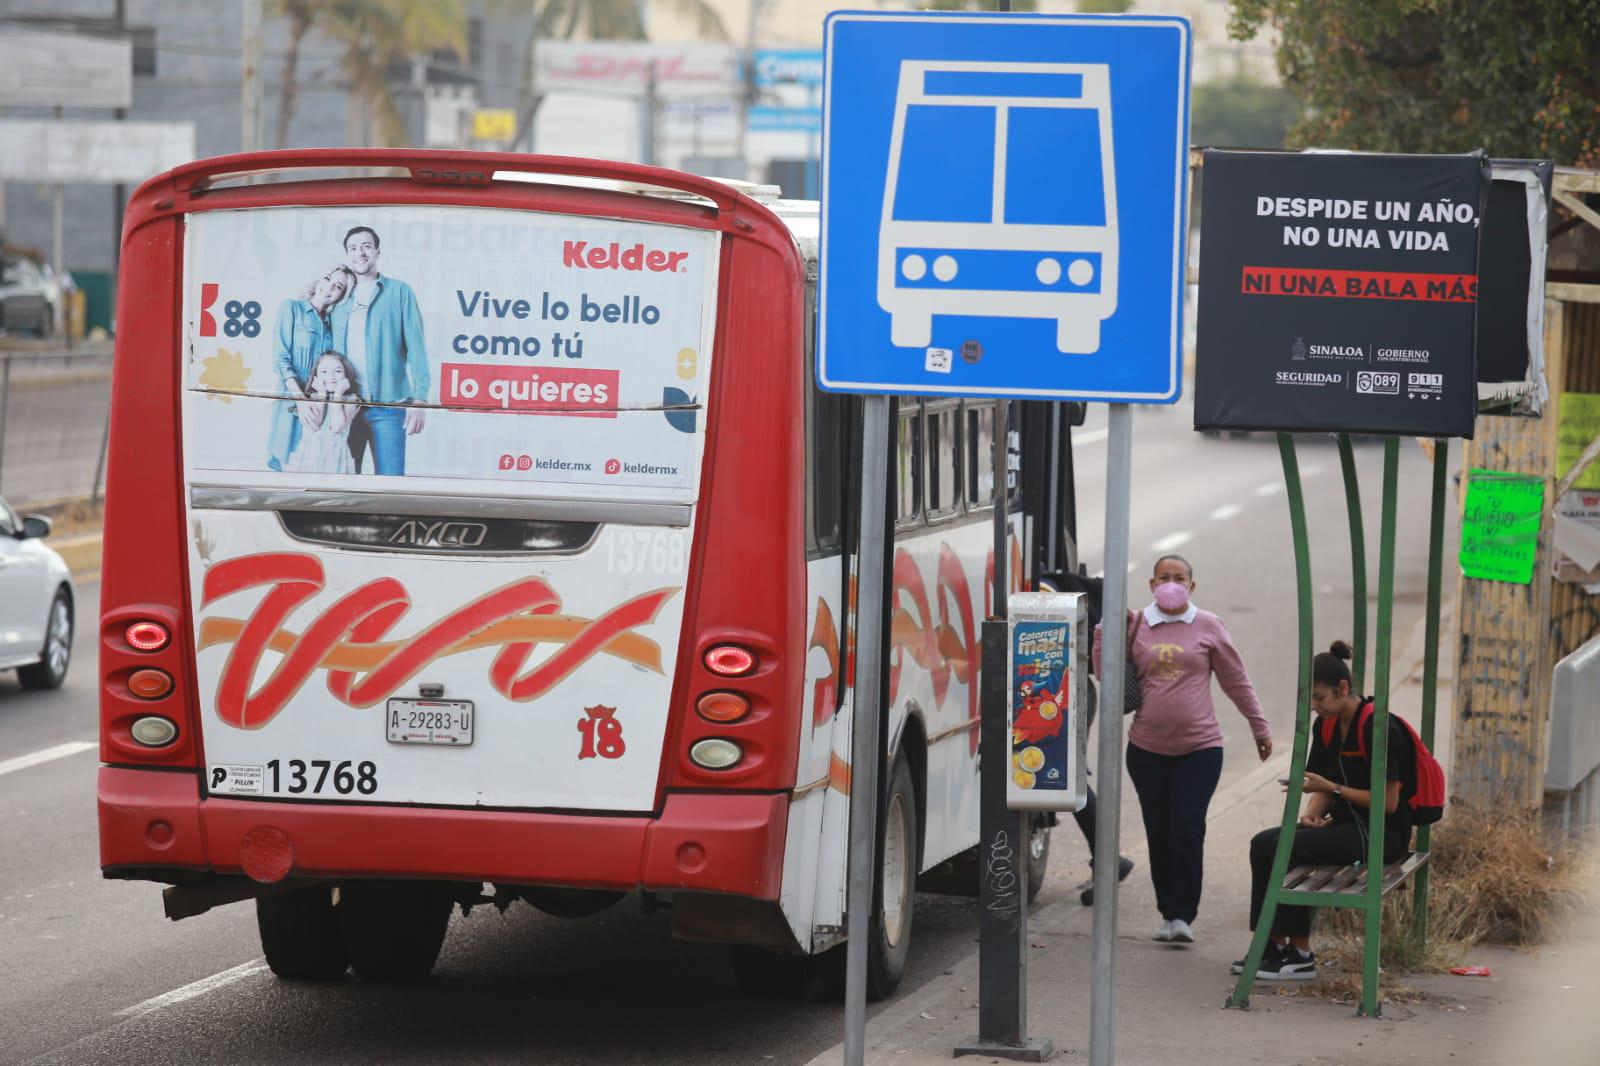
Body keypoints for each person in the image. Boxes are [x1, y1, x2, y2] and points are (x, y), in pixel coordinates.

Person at [1093, 554, 1272, 945]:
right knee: (1159, 831)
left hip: (1200, 749)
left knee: (1188, 828)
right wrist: (1103, 634)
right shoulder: (1136, 624)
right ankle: (1168, 912)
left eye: (1179, 577)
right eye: (1163, 577)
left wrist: (1259, 725)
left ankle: (1185, 914)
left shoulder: (1208, 625)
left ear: (1192, 586)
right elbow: (1108, 678)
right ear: (1152, 584)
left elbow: (1235, 679)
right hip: (1147, 750)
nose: (1170, 583)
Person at [1235, 640, 1413, 981]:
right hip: (1344, 826)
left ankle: (1300, 953)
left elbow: (1387, 804)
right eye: (1310, 700)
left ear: (1342, 688)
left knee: (1285, 846)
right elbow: (1322, 781)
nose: (1315, 707)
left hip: (1380, 834)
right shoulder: (1326, 726)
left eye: (1319, 698)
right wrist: (1313, 812)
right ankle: (1270, 945)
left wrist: (1330, 790)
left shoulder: (1379, 728)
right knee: (1262, 843)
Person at [328, 226, 429, 475]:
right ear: (347, 254)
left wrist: (420, 400)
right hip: (346, 406)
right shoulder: (339, 297)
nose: (359, 253)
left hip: (389, 407)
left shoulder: (399, 292)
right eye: (353, 248)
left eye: (366, 246)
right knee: (344, 486)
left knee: (392, 483)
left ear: (377, 252)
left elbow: (417, 349)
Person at [267, 266, 353, 471]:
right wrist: (300, 400)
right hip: (290, 399)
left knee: (309, 467)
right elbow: (281, 359)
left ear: (341, 296)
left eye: (338, 286)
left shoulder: (331, 324)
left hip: (318, 405)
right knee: (282, 464)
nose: (329, 287)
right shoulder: (291, 308)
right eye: (328, 279)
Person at [285, 351, 361, 474]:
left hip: (336, 459)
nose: (331, 376)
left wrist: (338, 395)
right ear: (316, 376)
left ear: (346, 374)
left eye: (337, 371)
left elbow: (337, 427)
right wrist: (321, 394)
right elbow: (316, 422)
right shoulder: (312, 398)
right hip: (310, 456)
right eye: (324, 372)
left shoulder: (350, 399)